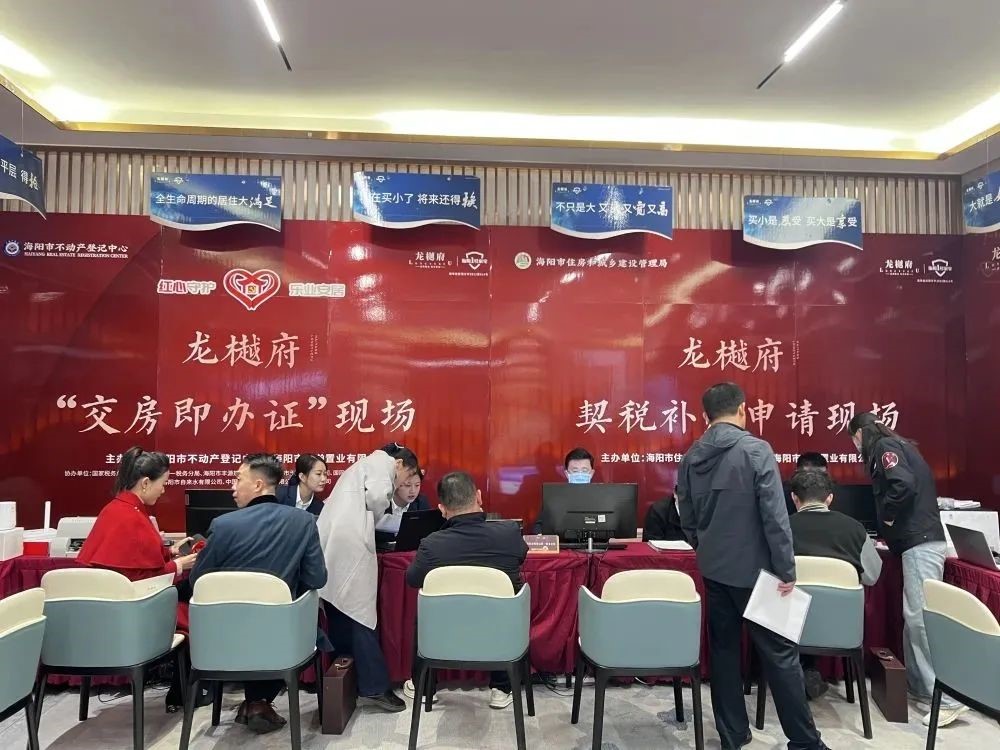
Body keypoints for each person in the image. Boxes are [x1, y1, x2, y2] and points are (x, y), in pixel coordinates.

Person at [677, 383, 827, 750]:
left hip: (714, 570)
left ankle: (733, 735)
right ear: (743, 409)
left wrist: (704, 547)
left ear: (705, 416)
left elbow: (687, 516)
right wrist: (786, 569)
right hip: (760, 574)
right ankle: (804, 742)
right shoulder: (756, 451)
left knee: (724, 653)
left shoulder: (691, 457)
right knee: (781, 655)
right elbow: (776, 517)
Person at [189, 453, 327, 734]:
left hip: (223, 641)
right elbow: (317, 578)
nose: (232, 487)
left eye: (237, 479)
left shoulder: (223, 525)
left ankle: (255, 702)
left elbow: (197, 581)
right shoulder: (303, 522)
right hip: (282, 639)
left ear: (258, 484)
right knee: (305, 626)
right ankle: (258, 702)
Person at [848, 411, 968, 728]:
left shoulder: (884, 447)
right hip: (916, 542)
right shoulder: (899, 445)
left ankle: (946, 698)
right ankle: (920, 688)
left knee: (921, 620)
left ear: (860, 434)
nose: (856, 446)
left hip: (920, 542)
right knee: (913, 619)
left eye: (854, 440)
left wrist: (887, 516)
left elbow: (902, 484)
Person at [78, 446, 202, 712]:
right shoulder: (130, 516)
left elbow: (136, 558)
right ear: (145, 483)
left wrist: (169, 552)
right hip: (132, 612)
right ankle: (184, 694)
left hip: (107, 612)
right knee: (195, 616)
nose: (164, 490)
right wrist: (179, 565)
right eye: (163, 483)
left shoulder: (117, 510)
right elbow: (141, 580)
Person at [403, 471, 528, 709]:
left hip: (445, 636)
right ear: (478, 496)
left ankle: (424, 687)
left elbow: (412, 579)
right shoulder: (510, 534)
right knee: (505, 604)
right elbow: (521, 556)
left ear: (442, 509)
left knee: (426, 606)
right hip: (500, 635)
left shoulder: (431, 545)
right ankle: (502, 688)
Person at [316, 444, 421, 713]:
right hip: (349, 546)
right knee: (361, 616)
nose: (402, 482)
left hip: (334, 544)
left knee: (341, 614)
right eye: (406, 476)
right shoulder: (382, 463)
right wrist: (383, 509)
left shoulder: (362, 466)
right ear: (400, 464)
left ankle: (346, 679)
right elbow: (376, 497)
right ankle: (374, 686)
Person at [788, 468, 882, 699]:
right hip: (841, 629)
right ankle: (810, 673)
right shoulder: (855, 529)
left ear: (794, 498)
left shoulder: (781, 528)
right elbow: (872, 576)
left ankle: (800, 673)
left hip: (789, 627)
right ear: (829, 498)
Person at [531, 447, 596, 533]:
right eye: (575, 471)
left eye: (584, 470)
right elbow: (538, 527)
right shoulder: (554, 498)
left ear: (591, 473)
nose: (580, 474)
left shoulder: (602, 498)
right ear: (567, 474)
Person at [375, 458, 432, 542]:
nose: (413, 491)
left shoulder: (421, 502)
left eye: (417, 485)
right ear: (396, 483)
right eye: (407, 485)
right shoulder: (380, 501)